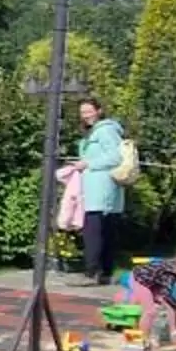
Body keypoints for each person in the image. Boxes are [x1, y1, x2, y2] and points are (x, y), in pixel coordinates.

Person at [73, 99, 130, 285]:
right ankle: (104, 272)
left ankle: (92, 272)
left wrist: (88, 164)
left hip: (103, 190)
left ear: (99, 111)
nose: (86, 115)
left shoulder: (105, 130)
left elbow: (115, 156)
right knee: (104, 232)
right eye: (83, 112)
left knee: (94, 232)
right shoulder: (95, 132)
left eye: (89, 111)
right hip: (96, 189)